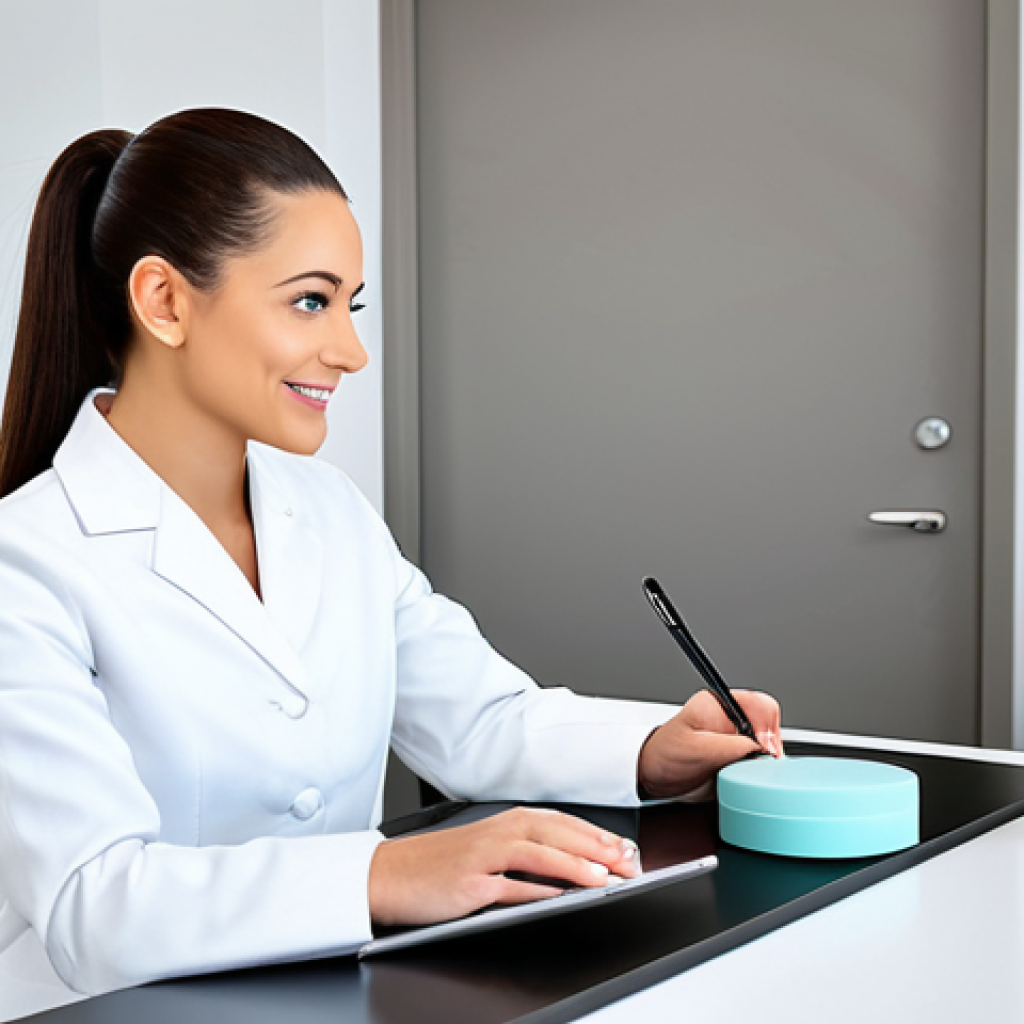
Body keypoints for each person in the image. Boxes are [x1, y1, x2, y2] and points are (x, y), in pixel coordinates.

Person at [0, 108, 782, 1000]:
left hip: (344, 997)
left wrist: (653, 749)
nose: (351, 350)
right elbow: (92, 904)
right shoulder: (26, 562)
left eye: (350, 304)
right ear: (165, 302)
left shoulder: (327, 509)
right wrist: (386, 875)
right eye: (310, 300)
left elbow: (481, 721)